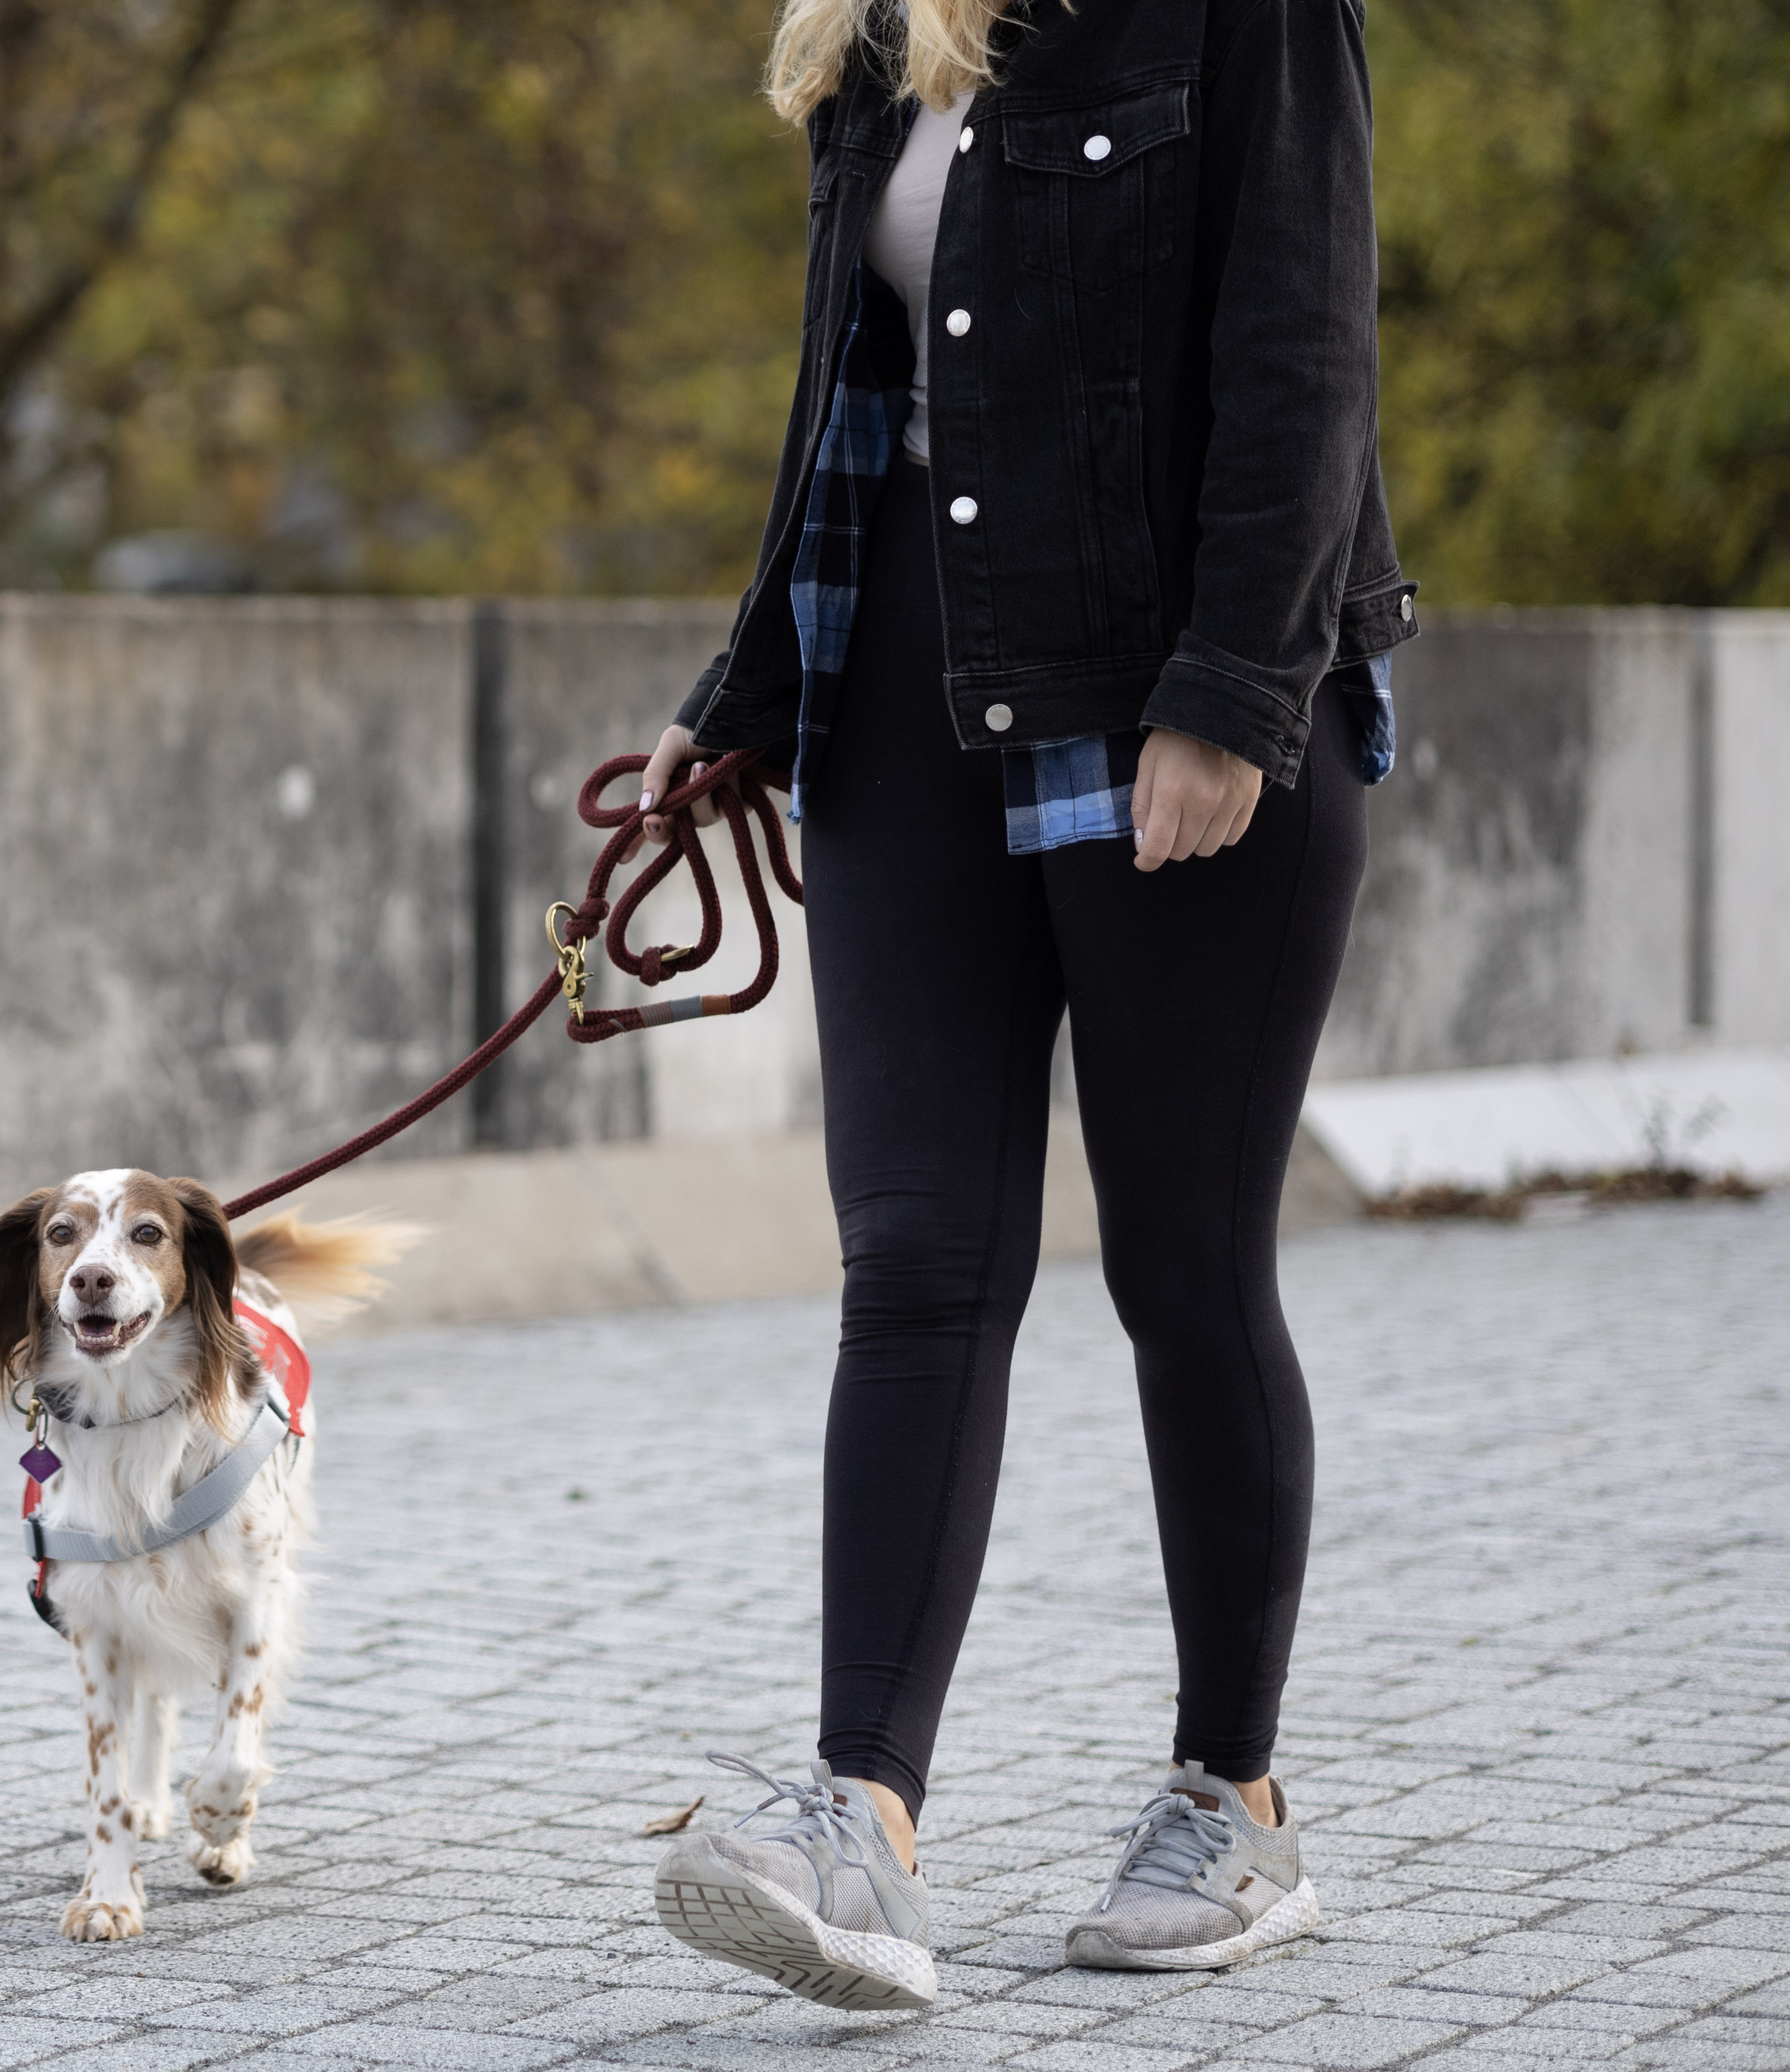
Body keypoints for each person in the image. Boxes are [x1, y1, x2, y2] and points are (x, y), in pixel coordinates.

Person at [639, 0, 1415, 2012]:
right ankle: (862, 1831)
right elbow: (851, 401)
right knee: (912, 1256)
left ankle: (1230, 1800)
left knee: (1184, 1267)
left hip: (1175, 691)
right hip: (905, 697)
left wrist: (1239, 691)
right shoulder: (887, 35)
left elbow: (1306, 347)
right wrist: (742, 703)